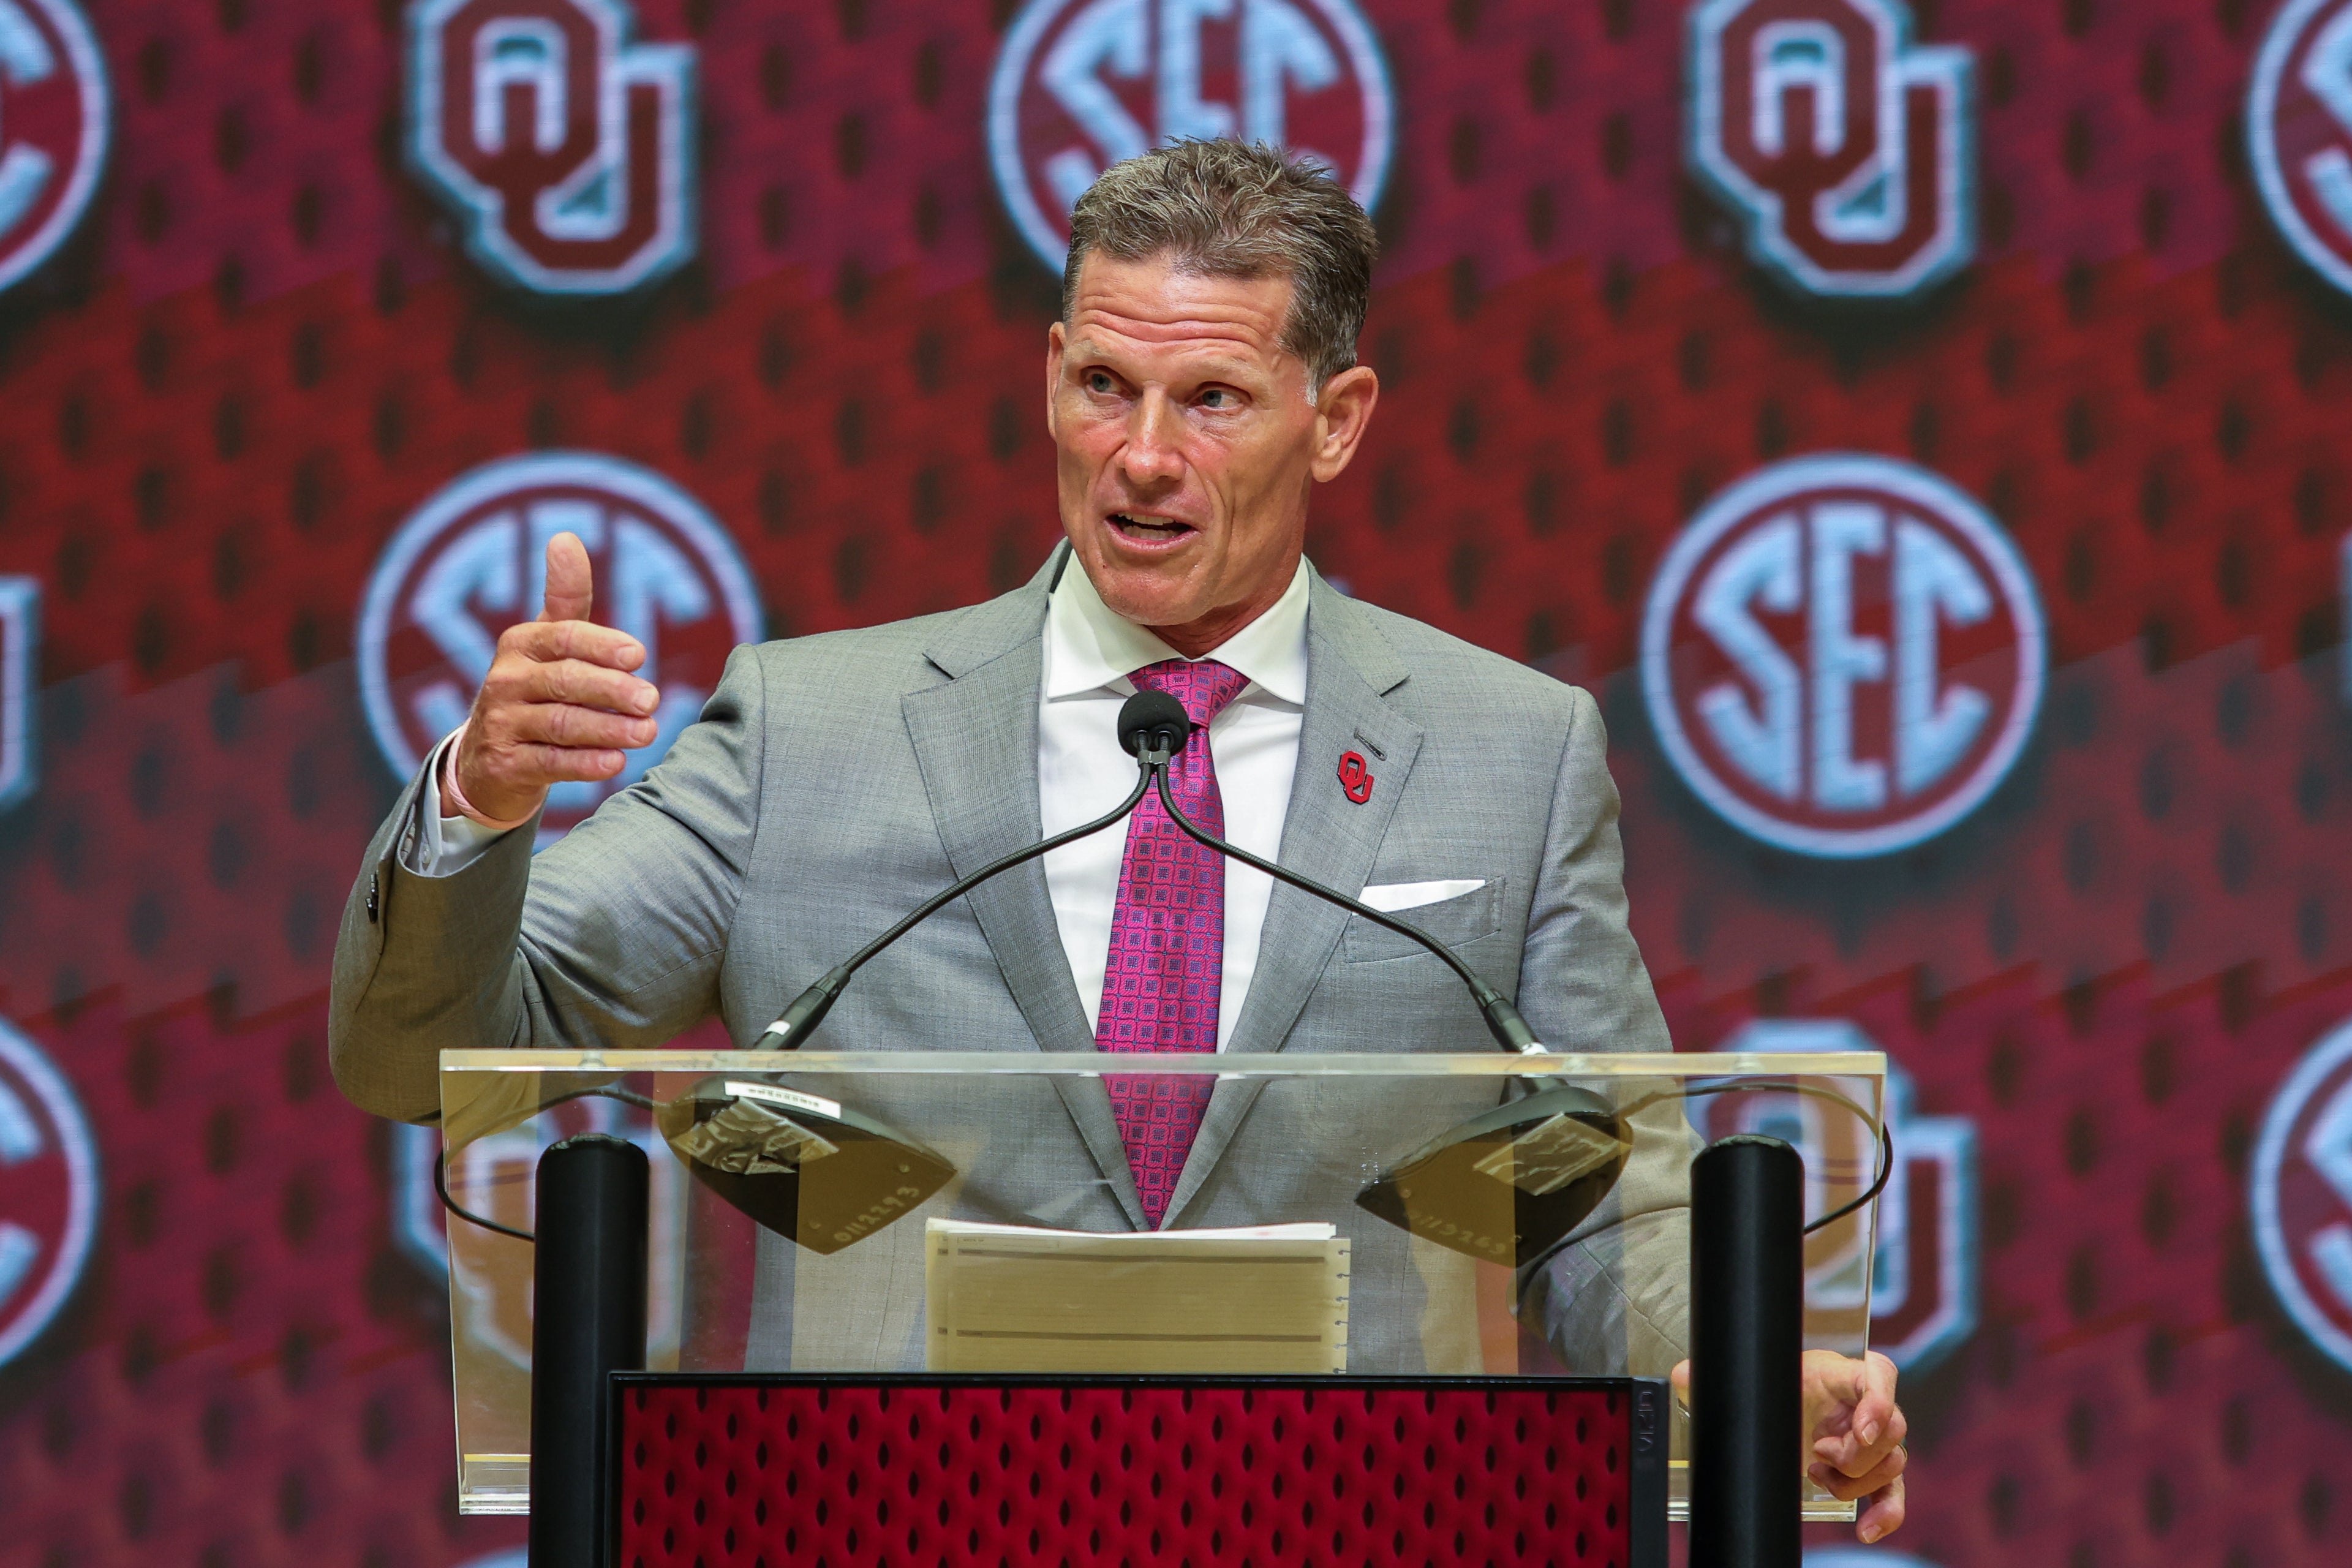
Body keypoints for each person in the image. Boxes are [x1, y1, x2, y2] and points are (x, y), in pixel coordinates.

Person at [330, 140, 1907, 1542]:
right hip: (894, 1523)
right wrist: (481, 801)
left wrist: (1755, 1364)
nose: (1142, 455)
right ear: (1051, 384)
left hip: (1358, 1526)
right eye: (1105, 386)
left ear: (1337, 420)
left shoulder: (1512, 751)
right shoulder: (811, 729)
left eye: (1211, 399)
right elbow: (440, 1057)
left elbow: (1606, 1195)